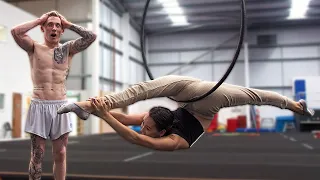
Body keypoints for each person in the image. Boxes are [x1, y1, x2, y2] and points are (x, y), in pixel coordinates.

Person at [58, 75, 314, 151]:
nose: (142, 126)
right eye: (145, 125)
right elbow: (129, 126)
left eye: (145, 125)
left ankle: (86, 107)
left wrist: (103, 114)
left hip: (190, 95)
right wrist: (104, 113)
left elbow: (132, 133)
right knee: (255, 96)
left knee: (142, 90)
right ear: (163, 131)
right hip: (206, 104)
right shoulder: (175, 141)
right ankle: (294, 105)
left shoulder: (164, 133)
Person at [11, 11, 96, 180]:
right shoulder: (34, 48)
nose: (54, 28)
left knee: (61, 153)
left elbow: (91, 36)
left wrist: (68, 23)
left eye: (58, 25)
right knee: (38, 153)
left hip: (60, 106)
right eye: (50, 24)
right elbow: (15, 32)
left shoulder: (68, 49)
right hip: (39, 104)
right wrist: (40, 20)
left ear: (62, 30)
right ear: (43, 28)